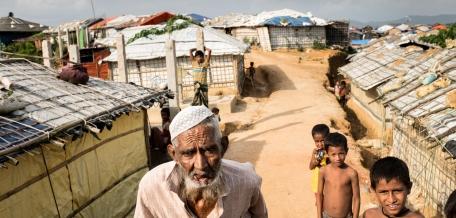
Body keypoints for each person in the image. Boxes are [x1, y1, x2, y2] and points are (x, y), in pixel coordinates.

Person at [134, 106, 268, 218]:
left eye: (209, 150)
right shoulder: (152, 187)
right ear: (174, 154)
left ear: (223, 147)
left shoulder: (246, 181)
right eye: (188, 153)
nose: (201, 165)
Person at [317, 132, 360, 218]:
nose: (338, 158)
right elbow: (319, 194)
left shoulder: (351, 173)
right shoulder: (323, 171)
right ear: (327, 153)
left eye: (341, 153)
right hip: (327, 216)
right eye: (333, 154)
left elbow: (356, 198)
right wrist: (319, 216)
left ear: (346, 151)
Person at [309, 124, 330, 204]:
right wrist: (315, 161)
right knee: (319, 201)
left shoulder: (330, 152)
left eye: (322, 141)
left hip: (327, 181)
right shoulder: (315, 152)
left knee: (327, 201)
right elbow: (310, 167)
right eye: (316, 141)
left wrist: (327, 158)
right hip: (317, 180)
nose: (320, 144)